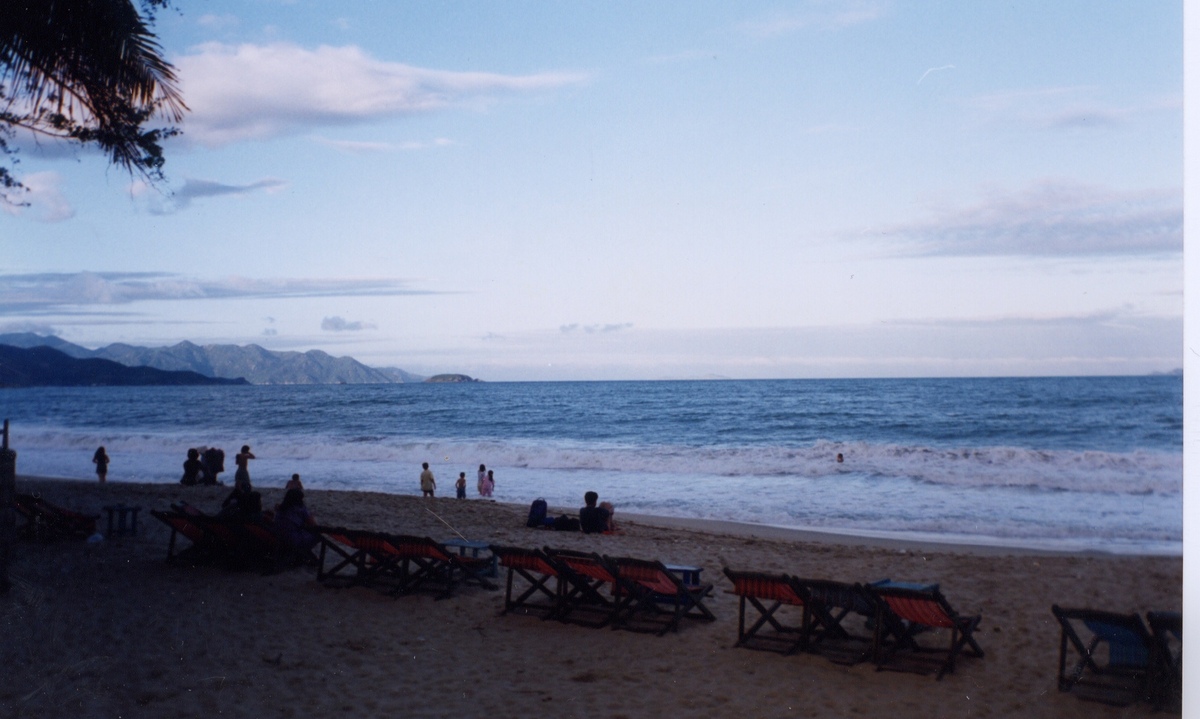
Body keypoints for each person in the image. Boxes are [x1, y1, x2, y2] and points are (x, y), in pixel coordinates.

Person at [274, 488, 318, 552]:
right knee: (317, 535)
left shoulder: (280, 509)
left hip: (280, 539)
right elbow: (314, 525)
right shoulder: (300, 509)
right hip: (294, 542)